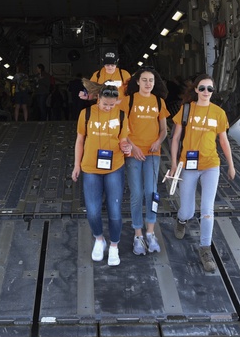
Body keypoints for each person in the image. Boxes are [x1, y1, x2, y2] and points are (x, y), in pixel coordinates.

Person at [167, 74, 235, 274]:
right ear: (196, 90)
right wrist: (173, 163)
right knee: (187, 210)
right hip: (188, 165)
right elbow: (175, 137)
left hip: (210, 165)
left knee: (207, 210)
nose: (206, 92)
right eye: (202, 88)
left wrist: (230, 165)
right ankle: (181, 220)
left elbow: (223, 141)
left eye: (210, 89)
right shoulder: (186, 109)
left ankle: (205, 249)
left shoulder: (219, 113)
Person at [72, 82, 130, 267]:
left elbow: (123, 139)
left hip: (114, 166)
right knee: (93, 211)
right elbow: (80, 140)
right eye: (105, 104)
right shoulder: (86, 114)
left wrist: (126, 147)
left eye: (112, 105)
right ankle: (99, 239)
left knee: (114, 211)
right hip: (90, 167)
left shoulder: (121, 115)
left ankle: (114, 245)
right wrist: (76, 165)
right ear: (98, 99)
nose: (108, 107)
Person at [121, 67, 170, 255]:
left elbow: (164, 129)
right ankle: (138, 235)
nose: (148, 83)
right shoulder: (128, 100)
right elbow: (122, 129)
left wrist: (158, 142)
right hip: (134, 153)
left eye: (151, 80)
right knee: (136, 193)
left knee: (152, 192)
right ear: (138, 82)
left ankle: (150, 233)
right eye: (144, 80)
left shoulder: (159, 101)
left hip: (151, 153)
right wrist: (133, 147)